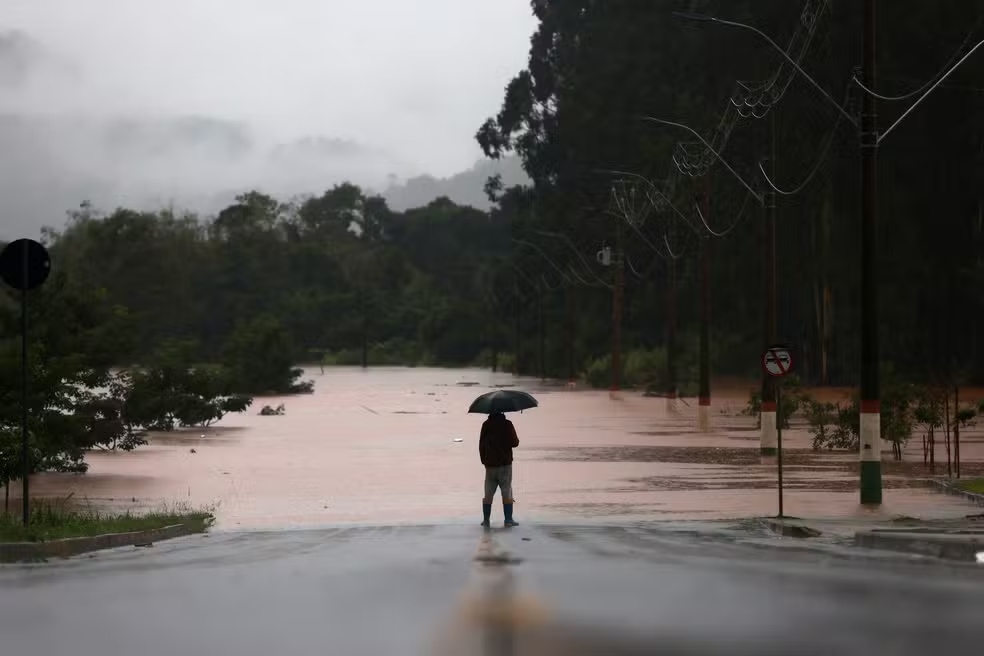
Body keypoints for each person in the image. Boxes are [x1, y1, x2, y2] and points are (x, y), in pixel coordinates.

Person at [479, 411, 520, 527]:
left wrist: (484, 461)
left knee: (488, 492)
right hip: (505, 464)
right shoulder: (507, 424)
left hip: (490, 465)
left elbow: (481, 444)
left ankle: (486, 520)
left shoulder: (486, 425)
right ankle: (508, 520)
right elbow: (515, 443)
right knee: (506, 491)